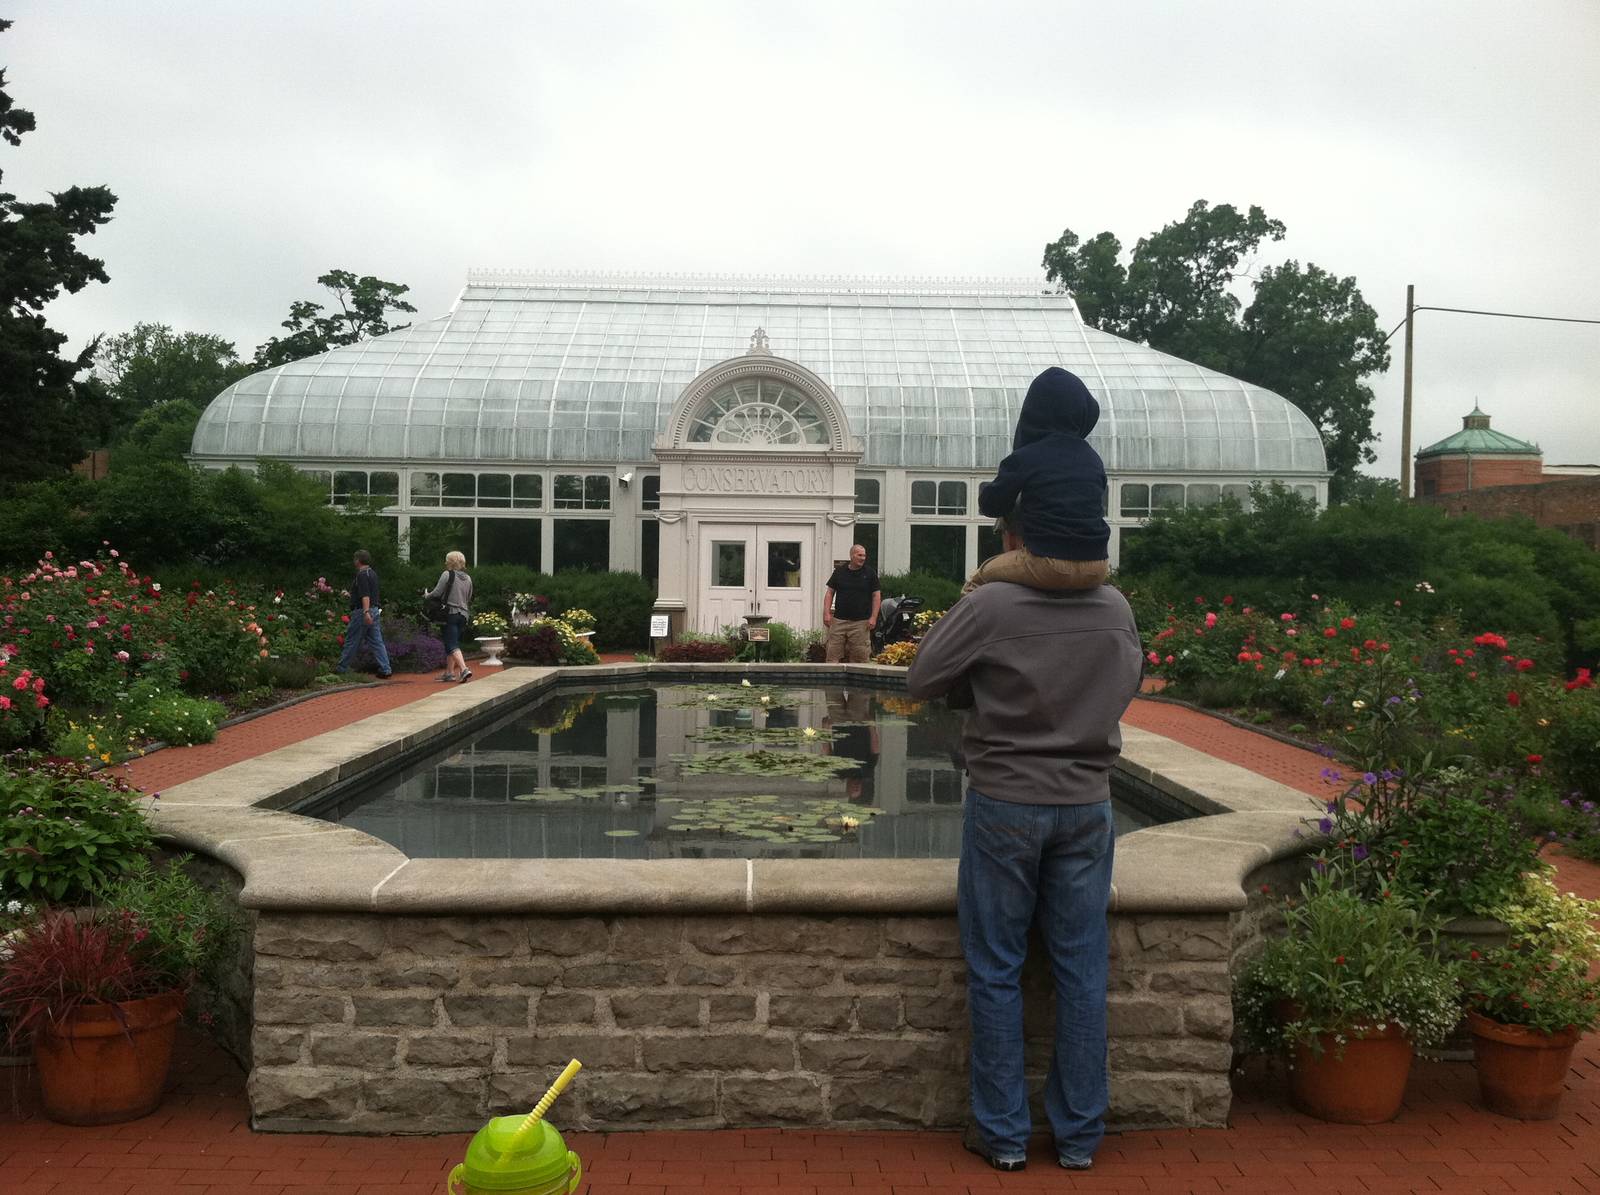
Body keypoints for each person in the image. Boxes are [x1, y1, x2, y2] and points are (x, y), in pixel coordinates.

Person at [906, 510, 1141, 1174]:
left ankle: (1004, 1134)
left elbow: (921, 677)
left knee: (996, 966)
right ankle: (1079, 1137)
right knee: (1082, 969)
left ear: (1015, 539)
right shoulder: (1116, 607)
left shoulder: (991, 603)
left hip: (1006, 800)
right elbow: (1128, 683)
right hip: (1087, 804)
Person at [962, 366, 1110, 597]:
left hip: (1048, 563)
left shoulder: (1027, 456)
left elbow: (991, 506)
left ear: (1032, 412)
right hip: (1098, 565)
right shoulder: (1093, 459)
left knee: (977, 581)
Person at [335, 549, 392, 679]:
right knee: (376, 641)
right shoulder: (372, 573)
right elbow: (369, 593)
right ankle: (385, 669)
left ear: (358, 560)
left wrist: (366, 612)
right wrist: (351, 595)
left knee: (352, 640)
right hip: (374, 609)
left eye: (355, 559)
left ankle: (342, 668)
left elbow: (365, 595)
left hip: (362, 611)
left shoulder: (361, 575)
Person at [822, 544, 880, 663]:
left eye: (864, 555)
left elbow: (876, 596)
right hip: (839, 621)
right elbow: (829, 593)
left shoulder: (870, 573)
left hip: (861, 623)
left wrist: (874, 617)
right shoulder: (839, 572)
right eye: (860, 555)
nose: (863, 558)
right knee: (832, 657)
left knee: (860, 660)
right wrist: (826, 613)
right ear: (852, 555)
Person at [425, 550, 475, 682]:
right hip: (463, 615)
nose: (445, 563)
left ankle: (464, 669)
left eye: (447, 560)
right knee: (452, 642)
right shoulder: (468, 578)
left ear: (450, 562)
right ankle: (449, 673)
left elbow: (437, 592)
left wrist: (427, 595)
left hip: (450, 614)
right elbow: (469, 597)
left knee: (452, 644)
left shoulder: (447, 574)